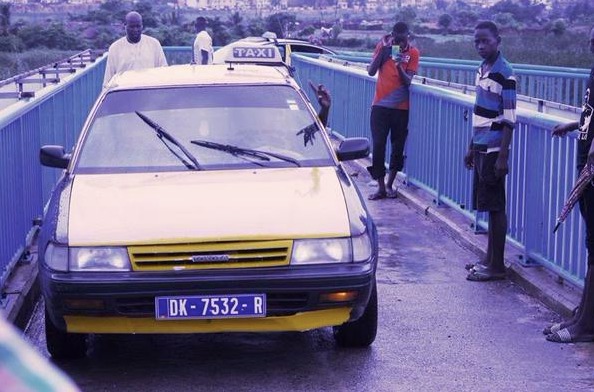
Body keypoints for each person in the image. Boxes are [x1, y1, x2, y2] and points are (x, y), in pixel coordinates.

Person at [547, 26, 594, 343]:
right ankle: (584, 313)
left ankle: (586, 325)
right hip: (586, 162)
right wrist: (574, 124)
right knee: (592, 243)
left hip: (592, 165)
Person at [464, 21, 516, 282]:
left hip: (495, 146)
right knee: (487, 203)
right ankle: (488, 258)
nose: (481, 46)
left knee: (496, 207)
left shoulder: (505, 73)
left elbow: (509, 119)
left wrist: (503, 156)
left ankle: (497, 266)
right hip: (481, 143)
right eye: (477, 42)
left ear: (498, 41)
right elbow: (479, 112)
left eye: (486, 41)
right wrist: (471, 147)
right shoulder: (482, 69)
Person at [366, 22, 419, 200]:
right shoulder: (383, 47)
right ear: (392, 35)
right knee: (379, 146)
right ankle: (380, 187)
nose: (400, 42)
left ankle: (389, 185)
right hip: (380, 106)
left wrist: (398, 65)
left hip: (401, 108)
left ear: (408, 36)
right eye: (397, 38)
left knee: (398, 147)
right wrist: (384, 51)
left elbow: (408, 81)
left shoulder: (413, 53)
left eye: (403, 39)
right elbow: (371, 72)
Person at [103, 11, 168, 86]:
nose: (135, 30)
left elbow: (163, 72)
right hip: (125, 92)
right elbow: (108, 81)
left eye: (138, 26)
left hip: (149, 92)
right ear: (125, 26)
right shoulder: (115, 48)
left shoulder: (154, 44)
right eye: (132, 26)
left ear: (142, 26)